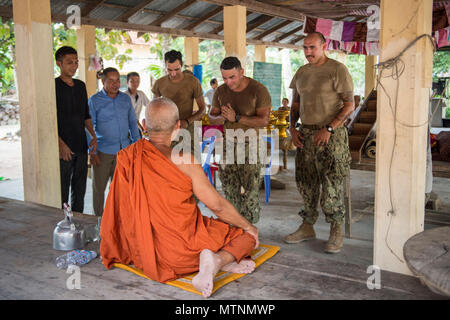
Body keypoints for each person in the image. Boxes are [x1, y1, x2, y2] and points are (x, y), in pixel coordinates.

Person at [100, 97, 259, 298]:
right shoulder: (185, 160)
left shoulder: (128, 156)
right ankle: (218, 261)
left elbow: (120, 210)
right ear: (178, 126)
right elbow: (217, 206)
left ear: (143, 125)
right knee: (246, 237)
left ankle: (213, 262)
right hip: (185, 252)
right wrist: (248, 226)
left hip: (143, 252)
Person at [284, 32, 354, 254]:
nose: (308, 52)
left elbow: (350, 104)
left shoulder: (337, 69)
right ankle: (307, 226)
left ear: (324, 46)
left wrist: (330, 127)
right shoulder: (302, 72)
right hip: (306, 133)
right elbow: (295, 104)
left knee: (331, 183)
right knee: (306, 182)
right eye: (305, 48)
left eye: (312, 47)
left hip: (332, 135)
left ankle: (335, 229)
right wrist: (292, 128)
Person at [210, 57, 271, 224]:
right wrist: (220, 118)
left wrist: (236, 117)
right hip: (228, 143)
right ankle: (234, 226)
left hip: (251, 144)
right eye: (224, 78)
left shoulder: (258, 90)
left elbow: (264, 121)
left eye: (232, 77)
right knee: (229, 188)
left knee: (250, 190)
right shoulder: (221, 91)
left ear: (242, 72)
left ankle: (249, 229)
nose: (228, 82)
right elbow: (211, 116)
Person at [88, 67, 141, 216]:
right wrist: (92, 152)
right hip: (103, 152)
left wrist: (137, 146)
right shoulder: (95, 100)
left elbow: (132, 122)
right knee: (99, 189)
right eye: (110, 80)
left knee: (121, 189)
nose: (115, 84)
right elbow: (89, 127)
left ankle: (118, 220)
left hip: (124, 151)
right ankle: (98, 220)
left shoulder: (125, 99)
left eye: (117, 80)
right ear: (103, 81)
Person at [54, 46, 97, 213]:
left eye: (76, 62)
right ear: (59, 63)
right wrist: (60, 145)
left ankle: (78, 221)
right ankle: (63, 224)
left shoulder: (80, 85)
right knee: (63, 189)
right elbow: (51, 120)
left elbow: (85, 115)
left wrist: (93, 136)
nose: (74, 66)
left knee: (80, 188)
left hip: (81, 144)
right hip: (64, 146)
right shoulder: (54, 86)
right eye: (69, 62)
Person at [151, 50, 206, 151]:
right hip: (167, 131)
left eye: (177, 69)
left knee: (191, 162)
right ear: (165, 66)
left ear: (182, 64)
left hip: (188, 129)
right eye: (169, 70)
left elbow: (203, 110)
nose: (173, 73)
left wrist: (187, 121)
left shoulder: (193, 82)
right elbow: (154, 109)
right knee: (169, 164)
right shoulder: (160, 83)